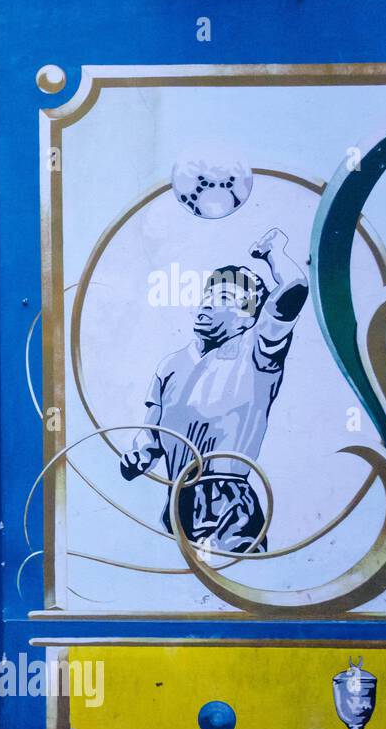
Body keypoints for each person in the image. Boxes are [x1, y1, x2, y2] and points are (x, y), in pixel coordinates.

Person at [120, 227, 309, 554]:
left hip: (228, 504)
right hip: (177, 506)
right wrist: (138, 453)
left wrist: (273, 252)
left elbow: (295, 288)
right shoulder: (170, 365)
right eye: (206, 297)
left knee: (235, 591)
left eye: (223, 299)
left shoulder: (257, 350)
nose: (207, 305)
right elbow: (150, 434)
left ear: (248, 318)